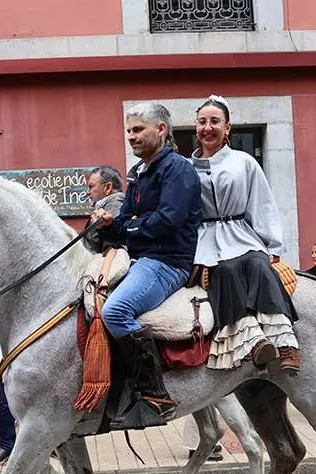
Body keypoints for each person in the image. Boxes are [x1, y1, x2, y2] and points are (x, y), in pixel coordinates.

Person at [92, 102, 201, 430]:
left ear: (162, 130)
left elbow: (168, 220)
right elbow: (127, 222)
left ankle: (153, 393)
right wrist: (110, 224)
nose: (131, 136)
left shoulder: (178, 169)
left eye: (138, 129)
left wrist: (132, 226)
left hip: (167, 263)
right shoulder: (138, 174)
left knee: (114, 312)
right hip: (139, 258)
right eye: (129, 131)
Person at [189, 94, 300, 374]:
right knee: (224, 271)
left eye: (215, 121)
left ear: (228, 128)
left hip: (240, 233)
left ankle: (285, 344)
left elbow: (261, 202)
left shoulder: (244, 162)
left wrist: (272, 244)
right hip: (206, 238)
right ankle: (252, 342)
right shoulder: (187, 168)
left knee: (258, 265)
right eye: (202, 122)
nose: (208, 127)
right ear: (196, 127)